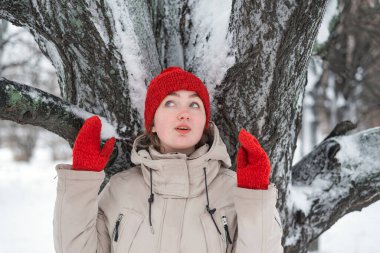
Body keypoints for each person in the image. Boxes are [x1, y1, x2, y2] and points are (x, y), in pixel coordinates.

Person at [53, 67, 283, 253]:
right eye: (170, 103)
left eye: (194, 104)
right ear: (152, 122)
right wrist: (81, 181)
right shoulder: (121, 189)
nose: (184, 113)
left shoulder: (233, 191)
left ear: (204, 122)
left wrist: (255, 196)